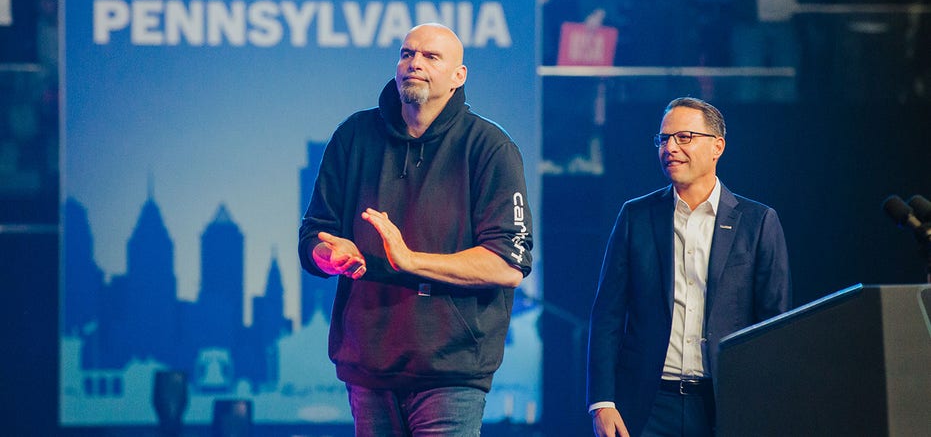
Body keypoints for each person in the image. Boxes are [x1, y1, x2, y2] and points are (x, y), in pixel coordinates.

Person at [298, 23, 533, 436]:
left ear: (458, 76)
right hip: (369, 366)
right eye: (407, 54)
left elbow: (507, 264)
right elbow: (314, 235)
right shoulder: (354, 136)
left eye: (430, 56)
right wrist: (329, 255)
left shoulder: (490, 147)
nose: (414, 63)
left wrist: (409, 261)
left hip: (451, 370)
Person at [586, 97, 791, 437]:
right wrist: (602, 402)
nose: (670, 148)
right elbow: (607, 314)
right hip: (647, 406)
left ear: (717, 147)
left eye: (684, 137)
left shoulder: (757, 222)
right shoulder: (636, 217)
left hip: (724, 404)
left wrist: (766, 405)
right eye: (663, 139)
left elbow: (775, 324)